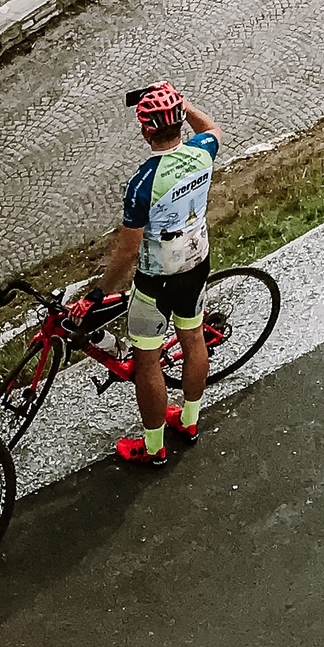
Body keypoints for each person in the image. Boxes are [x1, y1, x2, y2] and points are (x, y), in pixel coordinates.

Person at [84, 84, 220, 471]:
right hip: (196, 264)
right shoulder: (201, 152)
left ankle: (154, 445)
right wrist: (181, 102)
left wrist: (99, 292)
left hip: (156, 279)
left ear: (145, 130)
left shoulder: (143, 182)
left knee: (147, 363)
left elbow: (128, 250)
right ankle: (190, 422)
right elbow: (212, 128)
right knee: (193, 338)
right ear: (178, 119)